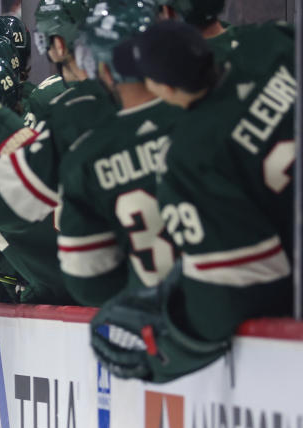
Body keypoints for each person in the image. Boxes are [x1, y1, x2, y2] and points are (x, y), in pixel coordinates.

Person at [91, 19, 296, 382]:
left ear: (165, 89)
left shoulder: (190, 155)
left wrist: (175, 348)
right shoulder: (268, 41)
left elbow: (241, 286)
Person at [57, 1, 179, 305]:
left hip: (153, 315)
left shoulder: (88, 154)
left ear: (104, 69)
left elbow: (86, 282)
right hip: (248, 307)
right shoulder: (203, 115)